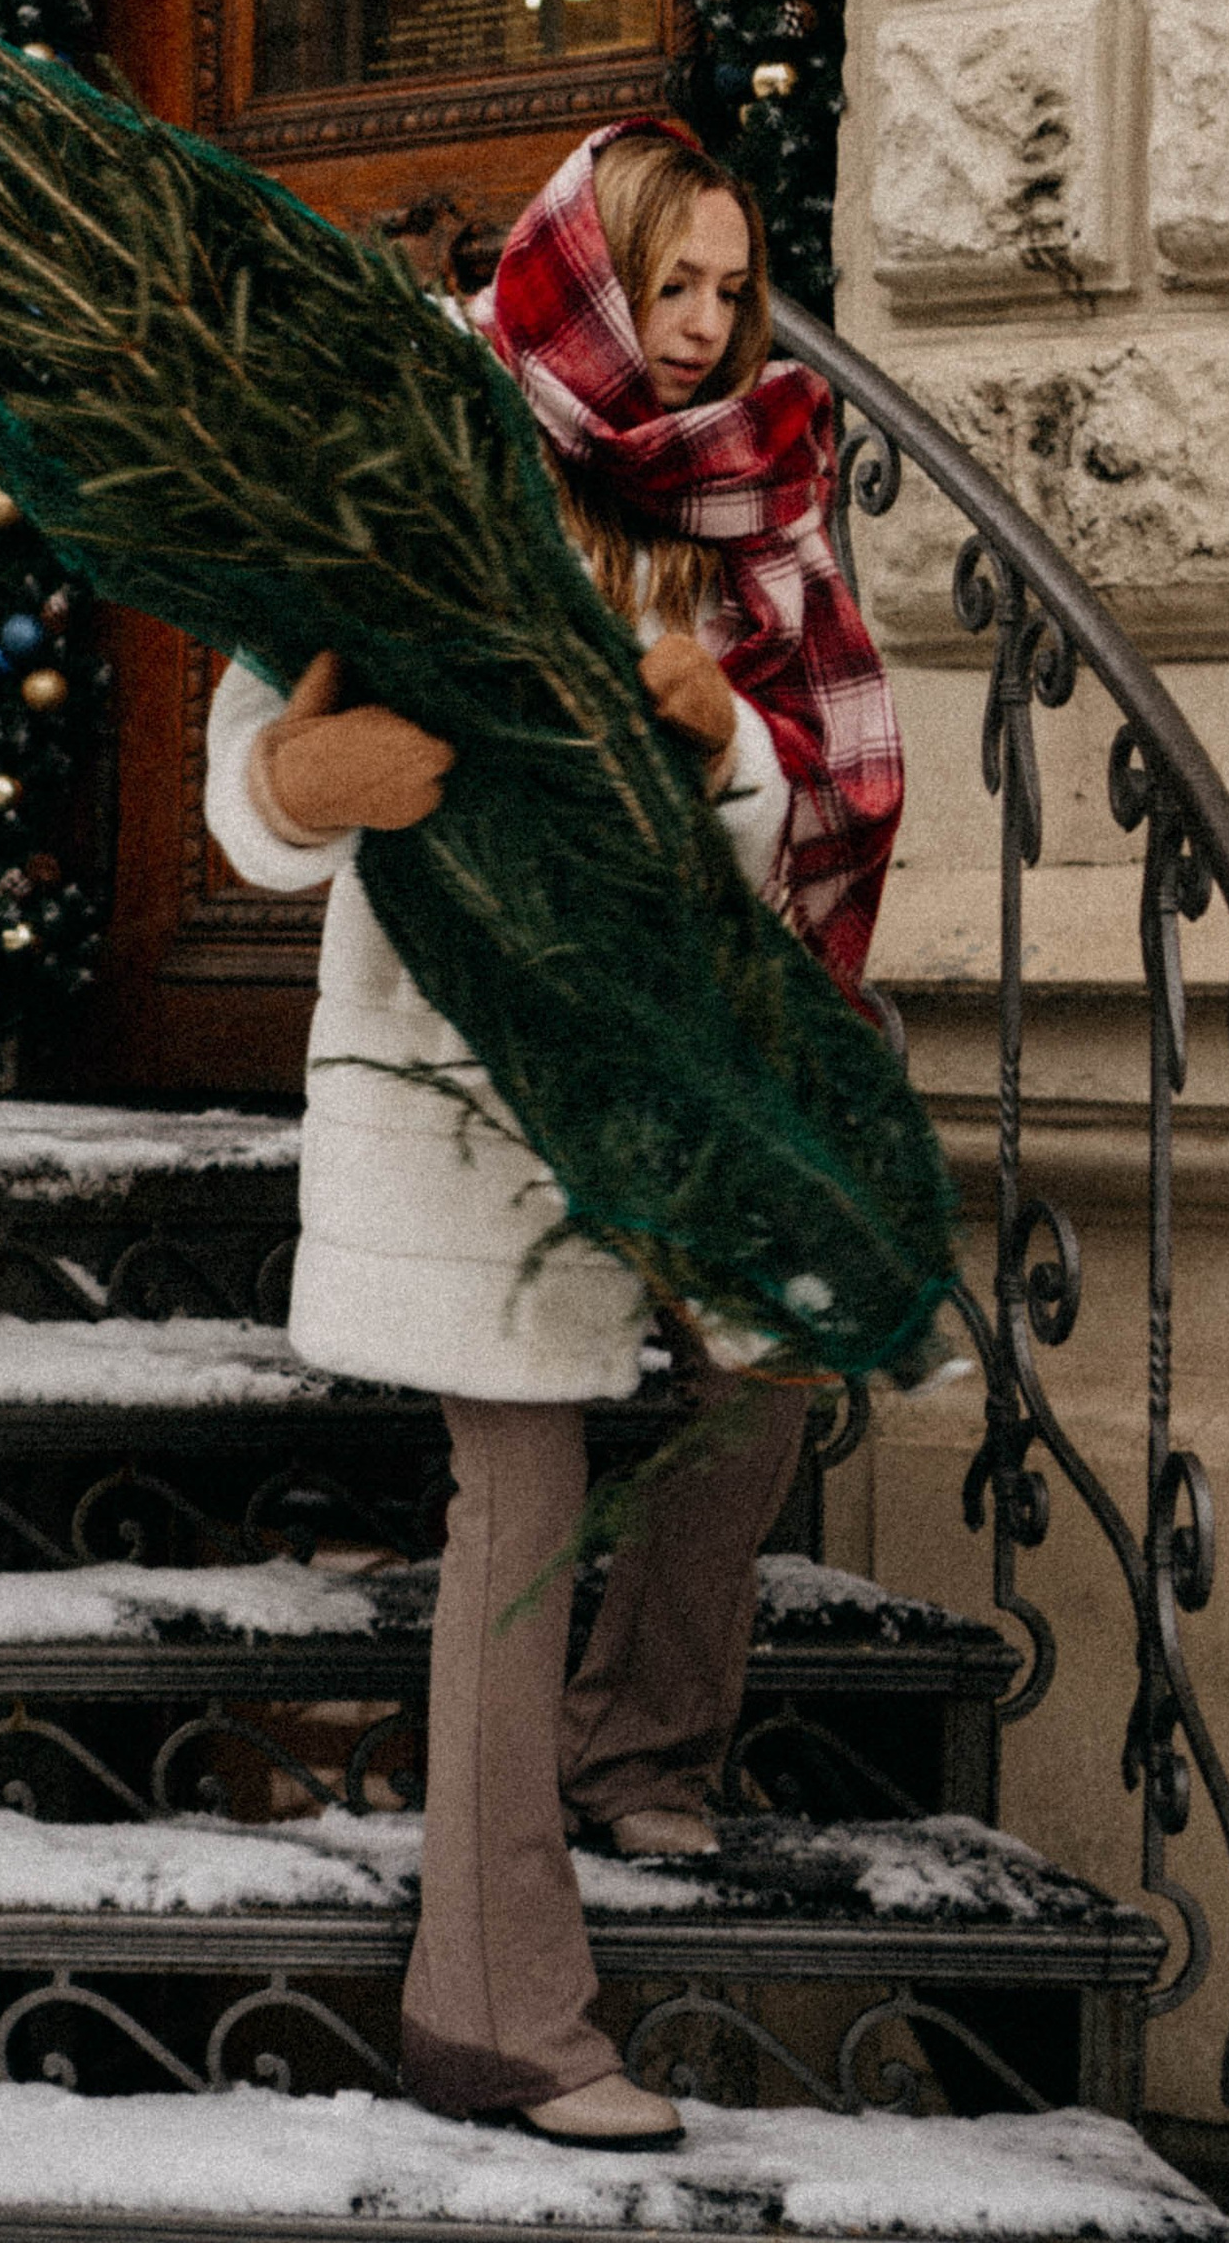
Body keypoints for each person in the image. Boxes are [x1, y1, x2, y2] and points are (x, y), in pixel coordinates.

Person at [203, 115, 905, 2157]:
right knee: (515, 1505)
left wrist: (726, 749)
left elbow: (791, 818)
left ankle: (629, 1739)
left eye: (722, 291)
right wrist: (310, 777)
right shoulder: (419, 453)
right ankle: (490, 2011)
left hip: (669, 1060)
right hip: (461, 1079)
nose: (697, 333)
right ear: (576, 276)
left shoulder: (746, 484)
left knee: (768, 1373)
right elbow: (246, 803)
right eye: (659, 289)